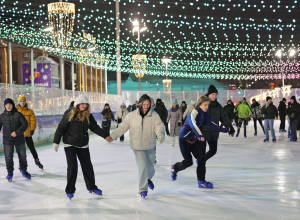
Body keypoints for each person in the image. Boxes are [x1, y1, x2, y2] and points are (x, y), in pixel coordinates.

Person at [53, 94, 110, 200]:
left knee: (87, 166)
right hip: (70, 143)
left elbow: (94, 127)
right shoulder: (69, 113)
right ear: (78, 104)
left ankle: (91, 187)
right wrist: (56, 142)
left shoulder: (88, 114)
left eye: (86, 104)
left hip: (83, 143)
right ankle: (70, 190)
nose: (84, 106)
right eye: (82, 104)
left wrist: (105, 135)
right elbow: (61, 128)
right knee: (72, 167)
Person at [108, 94, 165, 198]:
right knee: (143, 166)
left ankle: (147, 179)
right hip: (137, 145)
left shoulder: (154, 115)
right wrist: (113, 136)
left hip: (150, 144)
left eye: (148, 104)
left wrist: (160, 134)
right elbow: (122, 127)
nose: (146, 106)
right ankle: (143, 189)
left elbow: (159, 125)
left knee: (151, 168)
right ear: (140, 104)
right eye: (144, 104)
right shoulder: (131, 115)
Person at [171, 96, 230, 188]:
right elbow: (193, 124)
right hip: (184, 140)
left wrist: (225, 130)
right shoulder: (194, 112)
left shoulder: (205, 115)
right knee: (188, 162)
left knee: (201, 159)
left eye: (208, 105)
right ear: (199, 104)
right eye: (205, 105)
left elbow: (212, 124)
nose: (207, 107)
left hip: (195, 140)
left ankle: (201, 181)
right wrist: (200, 135)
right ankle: (175, 168)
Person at [201, 85, 235, 162]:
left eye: (216, 95)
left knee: (213, 150)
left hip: (213, 133)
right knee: (201, 152)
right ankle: (201, 162)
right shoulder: (202, 104)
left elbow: (224, 118)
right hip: (203, 132)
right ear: (208, 94)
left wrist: (231, 129)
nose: (214, 96)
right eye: (213, 94)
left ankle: (202, 160)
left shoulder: (218, 106)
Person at [0, 98, 30, 182]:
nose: (8, 106)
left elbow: (25, 124)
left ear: (12, 105)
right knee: (8, 157)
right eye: (6, 105)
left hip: (19, 139)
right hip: (7, 140)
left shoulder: (18, 114)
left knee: (22, 156)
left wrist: (17, 132)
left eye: (9, 104)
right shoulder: (2, 116)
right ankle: (10, 172)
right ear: (5, 106)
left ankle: (23, 170)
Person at [16, 96, 43, 170]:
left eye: (23, 101)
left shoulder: (30, 111)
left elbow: (33, 121)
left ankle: (37, 161)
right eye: (21, 101)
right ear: (19, 102)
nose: (22, 103)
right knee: (21, 150)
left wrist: (32, 129)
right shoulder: (16, 111)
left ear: (25, 102)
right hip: (19, 135)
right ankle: (21, 164)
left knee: (32, 148)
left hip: (27, 134)